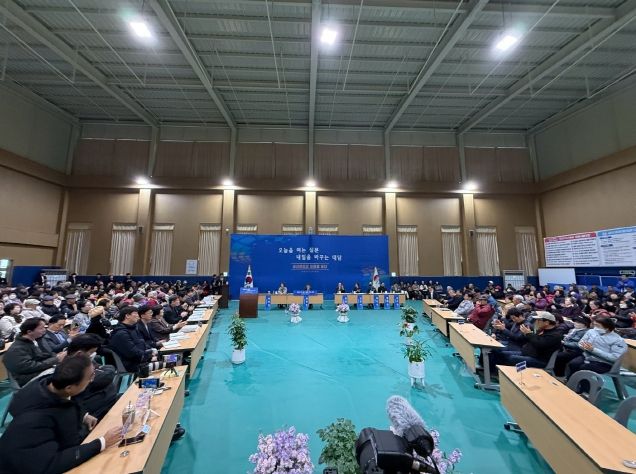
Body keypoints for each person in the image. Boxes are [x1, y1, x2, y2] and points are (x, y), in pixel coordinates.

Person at [0, 354, 123, 473]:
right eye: (90, 377)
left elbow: (67, 404)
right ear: (69, 388)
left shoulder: (49, 385)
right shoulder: (36, 420)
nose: (92, 380)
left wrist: (83, 416)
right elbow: (52, 463)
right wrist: (102, 442)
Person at [496, 311, 564, 369]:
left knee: (512, 358)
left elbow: (539, 344)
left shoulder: (555, 335)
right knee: (502, 354)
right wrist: (528, 334)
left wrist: (528, 334)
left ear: (546, 322)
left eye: (539, 320)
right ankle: (498, 373)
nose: (536, 322)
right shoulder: (542, 330)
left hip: (540, 360)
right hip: (528, 354)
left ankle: (515, 376)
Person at [108, 306, 156, 374]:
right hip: (135, 367)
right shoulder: (121, 333)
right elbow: (133, 353)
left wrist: (151, 352)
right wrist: (149, 355)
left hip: (142, 361)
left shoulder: (132, 328)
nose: (138, 316)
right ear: (127, 316)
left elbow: (142, 344)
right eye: (135, 313)